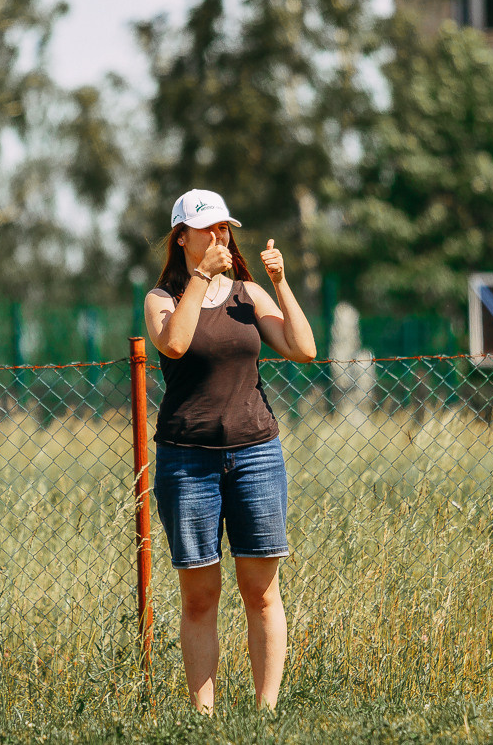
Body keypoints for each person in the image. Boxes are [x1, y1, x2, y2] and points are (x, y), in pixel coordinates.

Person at [143, 189, 316, 713]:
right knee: (199, 596)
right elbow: (173, 343)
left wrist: (280, 285)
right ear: (183, 238)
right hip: (186, 459)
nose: (219, 237)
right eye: (208, 229)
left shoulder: (247, 293)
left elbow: (304, 350)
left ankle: (265, 714)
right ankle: (203, 717)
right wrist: (199, 279)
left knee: (261, 591)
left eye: (224, 228)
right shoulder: (162, 298)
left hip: (255, 455)